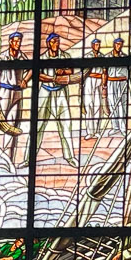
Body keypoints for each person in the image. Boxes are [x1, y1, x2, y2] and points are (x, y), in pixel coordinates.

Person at [37, 32, 79, 163]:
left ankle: (70, 156)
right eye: (53, 41)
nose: (56, 44)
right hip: (45, 92)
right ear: (48, 43)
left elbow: (71, 70)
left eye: (57, 41)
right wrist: (54, 78)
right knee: (37, 125)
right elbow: (39, 76)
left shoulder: (65, 56)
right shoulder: (42, 58)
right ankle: (29, 158)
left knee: (66, 124)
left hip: (60, 93)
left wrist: (63, 71)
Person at [0, 31, 31, 164]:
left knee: (12, 125)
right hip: (3, 92)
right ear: (10, 42)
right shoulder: (1, 58)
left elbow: (32, 68)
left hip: (17, 93)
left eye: (19, 41)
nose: (17, 43)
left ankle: (7, 160)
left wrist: (25, 80)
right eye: (15, 41)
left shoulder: (22, 57)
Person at [82, 38, 109, 139]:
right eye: (96, 44)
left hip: (99, 81)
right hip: (89, 81)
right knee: (89, 105)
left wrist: (104, 84)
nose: (97, 46)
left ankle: (97, 130)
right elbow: (84, 71)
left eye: (99, 44)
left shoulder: (102, 57)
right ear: (92, 45)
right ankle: (90, 132)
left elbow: (104, 71)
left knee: (98, 106)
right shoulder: (87, 56)